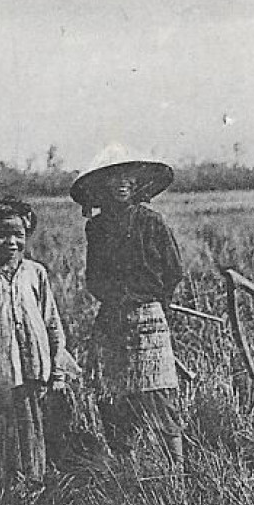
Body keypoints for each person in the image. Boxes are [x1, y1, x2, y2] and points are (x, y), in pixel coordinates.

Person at [72, 148, 184, 469]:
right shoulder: (96, 228)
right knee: (113, 398)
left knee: (159, 394)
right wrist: (115, 298)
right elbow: (93, 277)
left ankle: (176, 472)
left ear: (137, 183)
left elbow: (173, 271)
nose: (121, 184)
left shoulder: (151, 222)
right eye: (113, 178)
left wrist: (152, 301)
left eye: (128, 177)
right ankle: (126, 467)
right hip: (111, 318)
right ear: (103, 185)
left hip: (148, 315)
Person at [0, 196, 75, 495]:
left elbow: (51, 322)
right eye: (2, 235)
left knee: (30, 431)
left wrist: (58, 371)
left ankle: (30, 490)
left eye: (18, 236)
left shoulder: (35, 273)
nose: (10, 242)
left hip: (32, 372)